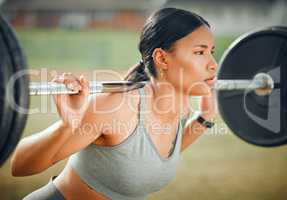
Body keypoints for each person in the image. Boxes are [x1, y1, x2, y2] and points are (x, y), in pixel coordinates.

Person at [11, 7, 217, 200]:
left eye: (212, 52)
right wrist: (68, 125)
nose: (213, 64)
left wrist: (205, 117)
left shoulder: (177, 108)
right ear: (162, 59)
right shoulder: (116, 106)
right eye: (200, 52)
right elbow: (20, 166)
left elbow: (150, 158)